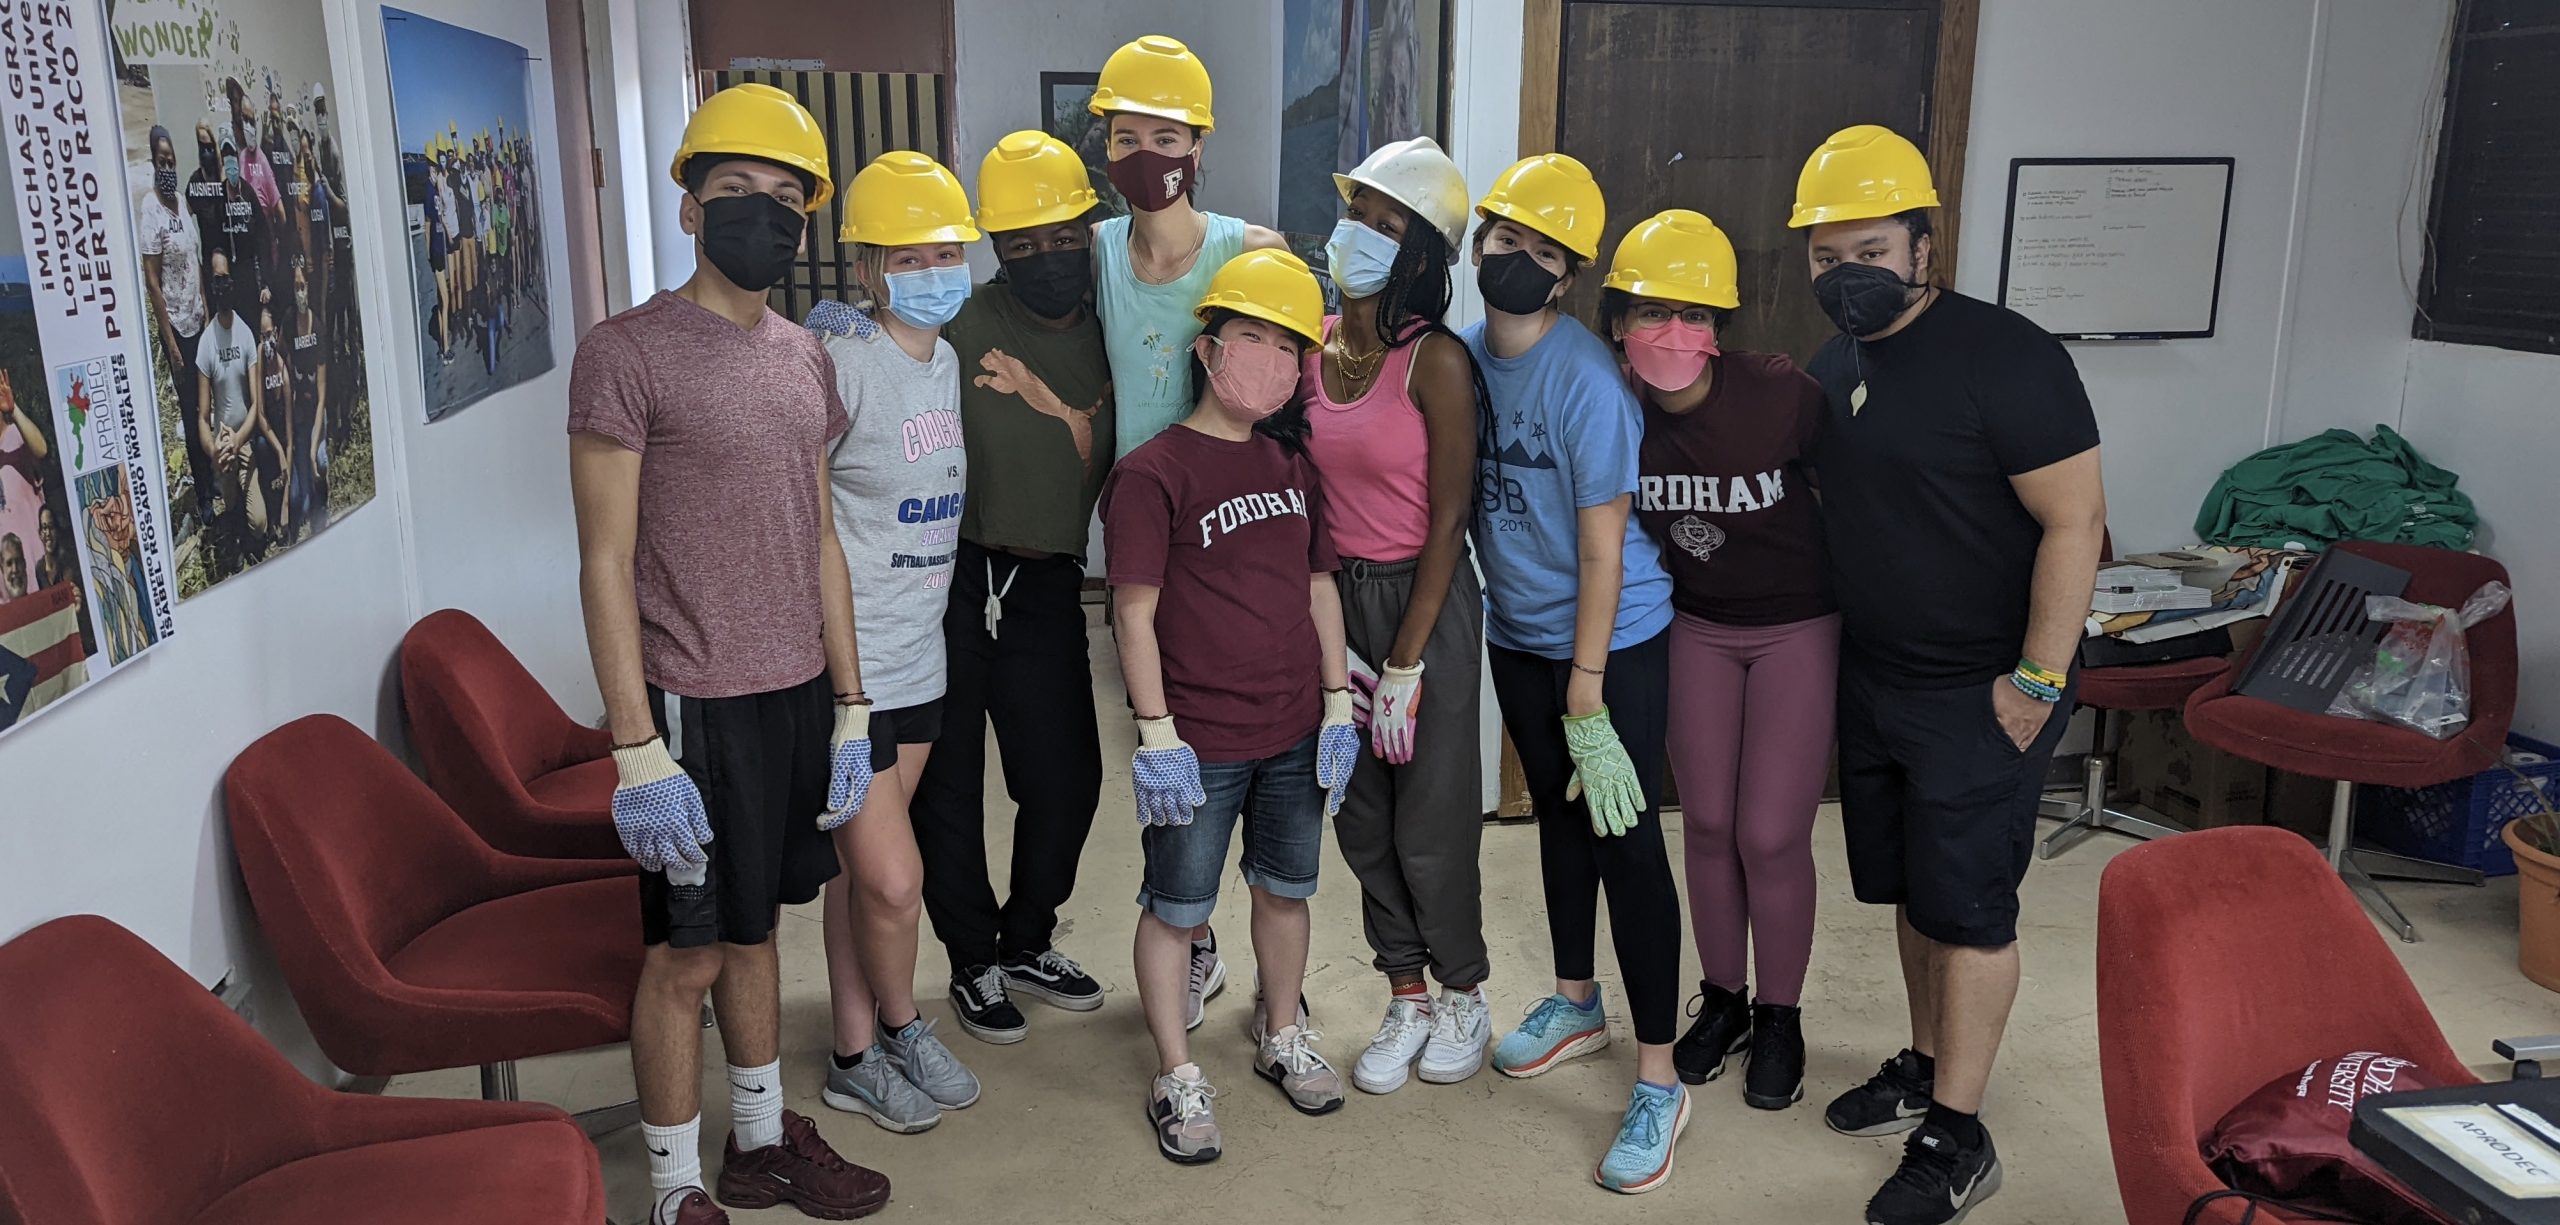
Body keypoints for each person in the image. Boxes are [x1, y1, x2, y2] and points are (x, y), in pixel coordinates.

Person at [566, 83, 891, 1225]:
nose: (763, 215)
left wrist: (852, 703)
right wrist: (634, 747)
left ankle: (758, 1142)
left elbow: (818, 537)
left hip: (794, 691)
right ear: (692, 208)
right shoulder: (626, 353)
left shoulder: (807, 359)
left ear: (807, 219)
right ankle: (674, 1187)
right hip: (689, 703)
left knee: (759, 930)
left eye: (784, 199)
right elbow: (604, 560)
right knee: (687, 957)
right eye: (735, 193)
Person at [1787, 125, 2105, 1225]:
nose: (1848, 276)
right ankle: (1925, 1065)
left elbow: (2076, 523)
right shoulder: (1839, 362)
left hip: (1985, 688)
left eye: (1870, 250)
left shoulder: (2009, 358)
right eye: (1827, 259)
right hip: (1876, 681)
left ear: (1926, 245)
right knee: (1916, 894)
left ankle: (1958, 1136)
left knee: (1970, 911)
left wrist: (2037, 678)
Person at [1101, 249, 1355, 1164]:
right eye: (1253, 336)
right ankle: (1175, 1070)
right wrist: (1156, 732)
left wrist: (1336, 703)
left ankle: (1279, 1032)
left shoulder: (1292, 464)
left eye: (1290, 345)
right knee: (1177, 905)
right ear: (1208, 348)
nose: (1272, 359)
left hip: (1293, 727)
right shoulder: (1152, 472)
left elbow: (1320, 586)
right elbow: (1132, 610)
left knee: (1286, 893)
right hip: (1197, 741)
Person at [1464, 154, 1686, 1195]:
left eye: (1540, 252)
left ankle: (1657, 1077)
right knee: (1559, 819)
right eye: (1503, 238)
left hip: (1615, 641)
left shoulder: (1587, 380)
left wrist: (1589, 678)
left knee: (1629, 844)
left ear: (1566, 280)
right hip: (1520, 636)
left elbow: (1605, 548)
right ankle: (1574, 999)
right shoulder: (1466, 358)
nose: (1515, 258)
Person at [1607, 210, 1836, 1111]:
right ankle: (1727, 1000)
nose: (1673, 332)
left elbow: (1855, 494)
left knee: (1770, 832)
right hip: (1695, 625)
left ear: (1722, 330)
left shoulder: (1781, 394)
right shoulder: (1613, 403)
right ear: (1617, 319)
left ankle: (1782, 1012)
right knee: (1703, 822)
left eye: (1695, 314)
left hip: (1797, 625)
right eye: (1651, 311)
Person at [1086, 31, 1289, 1027]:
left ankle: (1220, 946)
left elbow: (1299, 373)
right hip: (1145, 541)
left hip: (1238, 541)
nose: (1143, 152)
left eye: (1164, 134)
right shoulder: (1092, 256)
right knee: (1162, 740)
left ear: (1198, 147)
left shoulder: (1247, 249)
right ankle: (1190, 931)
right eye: (1125, 134)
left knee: (1237, 738)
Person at [905, 130, 1114, 1047]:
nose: (1044, 258)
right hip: (948, 579)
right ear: (995, 248)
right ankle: (970, 956)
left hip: (1047, 585)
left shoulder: (1118, 325)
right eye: (1020, 242)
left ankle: (1026, 936)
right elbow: (884, 329)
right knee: (946, 787)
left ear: (1091, 229)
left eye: (1062, 236)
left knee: (1065, 780)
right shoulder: (965, 316)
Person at [1296, 137, 1493, 1094]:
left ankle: (1464, 988)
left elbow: (1450, 518)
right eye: (1358, 214)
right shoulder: (1314, 342)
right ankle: (1405, 989)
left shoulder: (1437, 362)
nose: (1362, 235)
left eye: (1388, 224)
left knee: (1432, 820)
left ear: (1421, 255)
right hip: (1340, 607)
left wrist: (1408, 664)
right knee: (1361, 815)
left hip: (1426, 602)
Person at [798, 150, 983, 1135]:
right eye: (908, 253)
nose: (934, 267)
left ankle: (854, 1050)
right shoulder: (839, 362)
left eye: (948, 249)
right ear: (865, 268)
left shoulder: (942, 357)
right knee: (896, 879)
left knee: (855, 875)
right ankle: (906, 1024)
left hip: (922, 654)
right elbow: (792, 499)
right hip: (851, 670)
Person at [138, 124, 216, 538]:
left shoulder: (184, 204)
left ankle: (214, 475)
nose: (168, 166)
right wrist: (170, 342)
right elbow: (153, 281)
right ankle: (204, 495)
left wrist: (204, 302)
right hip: (177, 330)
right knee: (189, 411)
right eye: (162, 161)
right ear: (153, 162)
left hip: (198, 319)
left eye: (172, 161)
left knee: (208, 403)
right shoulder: (151, 210)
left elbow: (196, 259)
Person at [195, 250, 273, 576]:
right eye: (216, 280)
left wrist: (240, 439)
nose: (222, 285)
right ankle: (234, 530)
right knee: (231, 503)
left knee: (259, 523)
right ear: (211, 285)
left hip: (243, 436)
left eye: (226, 278)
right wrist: (215, 449)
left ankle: (249, 531)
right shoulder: (206, 343)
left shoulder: (245, 334)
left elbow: (256, 404)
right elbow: (202, 415)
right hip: (223, 440)